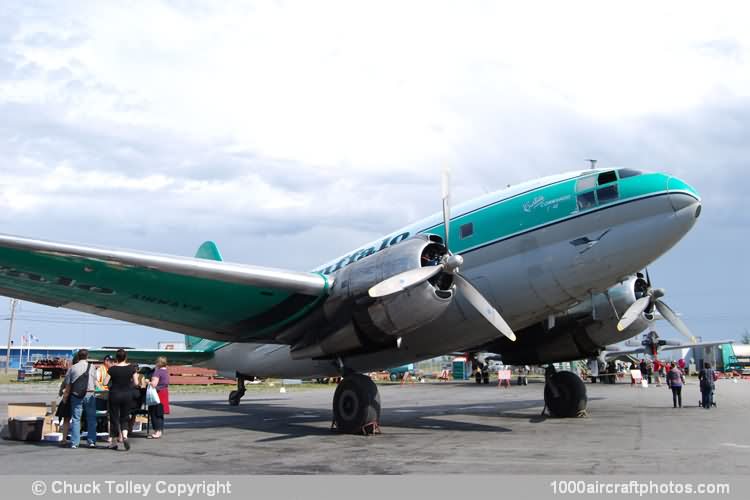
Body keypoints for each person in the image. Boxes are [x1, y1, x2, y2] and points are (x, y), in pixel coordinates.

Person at [62, 349, 98, 448]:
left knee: (76, 419)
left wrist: (65, 396)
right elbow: (95, 382)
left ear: (78, 356)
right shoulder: (92, 367)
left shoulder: (73, 368)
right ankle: (91, 441)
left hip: (76, 395)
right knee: (91, 418)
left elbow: (68, 384)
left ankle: (75, 442)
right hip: (90, 394)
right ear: (87, 356)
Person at [107, 349, 138, 450]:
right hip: (127, 395)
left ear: (116, 358)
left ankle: (114, 442)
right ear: (126, 357)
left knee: (114, 417)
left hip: (114, 394)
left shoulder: (112, 369)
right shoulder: (132, 368)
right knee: (124, 417)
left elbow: (105, 381)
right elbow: (136, 383)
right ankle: (125, 436)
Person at [55, 352, 79, 446]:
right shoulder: (86, 368)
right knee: (77, 419)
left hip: (70, 396)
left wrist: (62, 392)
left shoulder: (71, 370)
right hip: (81, 396)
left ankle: (64, 438)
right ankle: (75, 439)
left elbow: (66, 382)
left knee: (66, 419)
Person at [147, 356, 170, 439]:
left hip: (157, 393)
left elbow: (154, 384)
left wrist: (147, 381)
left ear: (158, 363)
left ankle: (157, 431)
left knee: (155, 412)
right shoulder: (166, 371)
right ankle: (160, 430)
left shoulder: (158, 372)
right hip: (164, 392)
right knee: (160, 413)